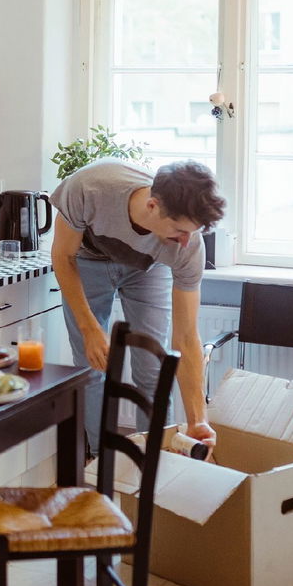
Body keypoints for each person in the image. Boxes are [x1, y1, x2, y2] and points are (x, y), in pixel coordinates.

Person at [49, 157, 227, 457]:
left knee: (153, 365)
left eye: (192, 233)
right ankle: (101, 461)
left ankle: (156, 461)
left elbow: (186, 339)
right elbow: (62, 256)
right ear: (153, 206)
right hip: (86, 261)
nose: (185, 242)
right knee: (93, 366)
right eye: (179, 231)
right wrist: (89, 328)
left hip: (147, 269)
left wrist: (198, 421)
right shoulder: (90, 187)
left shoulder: (188, 247)